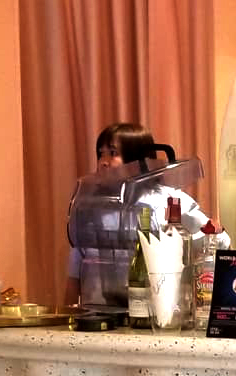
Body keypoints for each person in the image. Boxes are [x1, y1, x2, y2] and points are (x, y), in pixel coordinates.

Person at [63, 122, 227, 307]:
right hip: (103, 310)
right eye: (101, 154)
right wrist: (69, 314)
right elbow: (76, 268)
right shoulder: (92, 206)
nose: (104, 161)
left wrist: (214, 233)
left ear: (137, 160)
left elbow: (218, 243)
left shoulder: (166, 200)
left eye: (113, 153)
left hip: (159, 311)